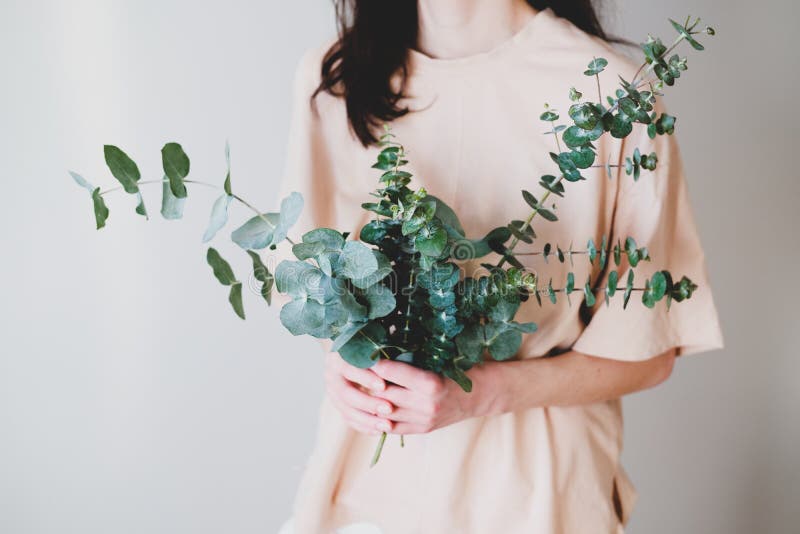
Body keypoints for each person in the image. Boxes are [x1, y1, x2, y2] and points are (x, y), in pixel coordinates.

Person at [275, 1, 724, 532]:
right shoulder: (336, 79)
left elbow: (651, 354)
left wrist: (478, 394)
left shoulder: (614, 95)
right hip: (369, 491)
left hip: (536, 492)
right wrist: (346, 362)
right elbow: (309, 288)